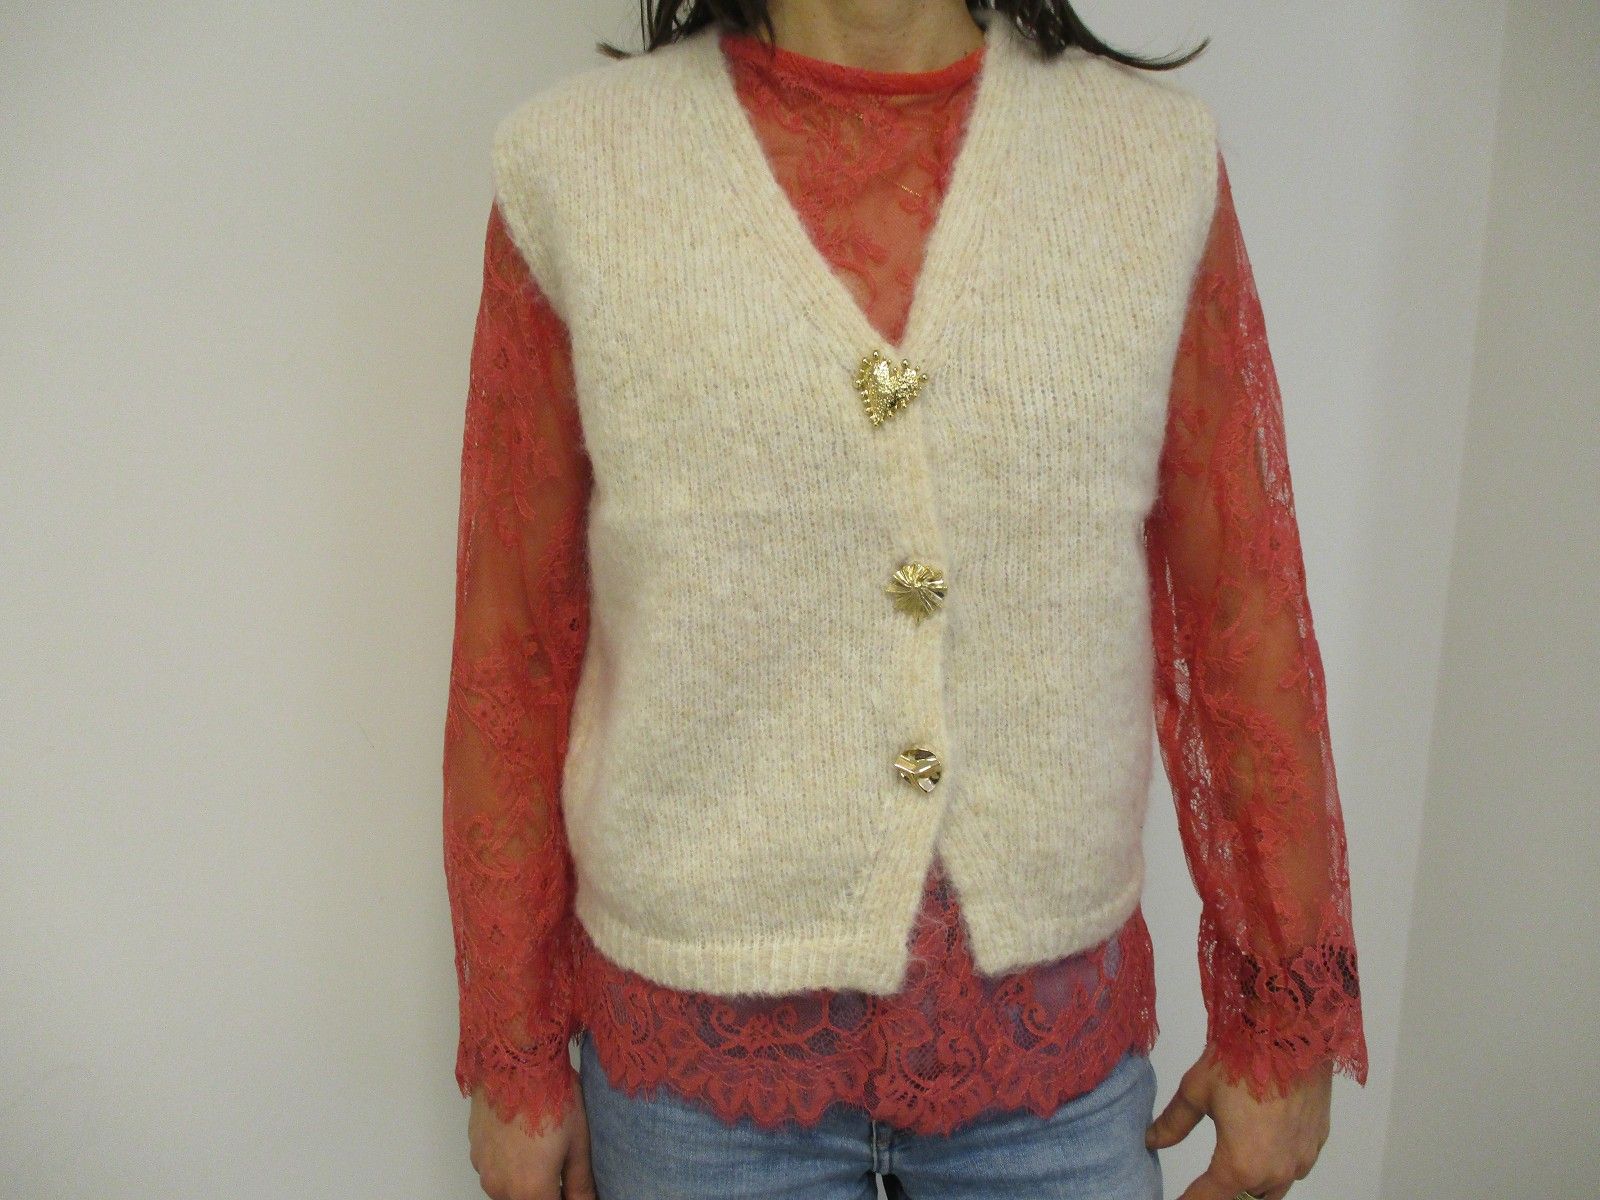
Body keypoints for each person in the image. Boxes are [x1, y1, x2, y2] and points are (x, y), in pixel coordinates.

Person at [442, 3, 1369, 1197]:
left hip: (1051, 1059)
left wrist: (1285, 1012)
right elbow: (515, 646)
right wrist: (513, 1050)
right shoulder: (572, 165)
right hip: (693, 1077)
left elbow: (1240, 613)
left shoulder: (1149, 162)